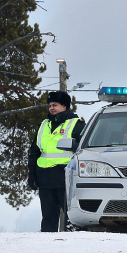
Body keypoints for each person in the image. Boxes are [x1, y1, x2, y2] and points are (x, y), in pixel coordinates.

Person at [28, 91, 85, 232]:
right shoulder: (43, 125)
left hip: (65, 177)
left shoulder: (77, 124)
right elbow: (34, 152)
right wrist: (32, 175)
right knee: (48, 218)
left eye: (55, 105)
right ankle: (47, 247)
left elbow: (83, 150)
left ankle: (70, 246)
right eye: (50, 105)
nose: (51, 108)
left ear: (64, 107)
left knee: (70, 218)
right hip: (45, 178)